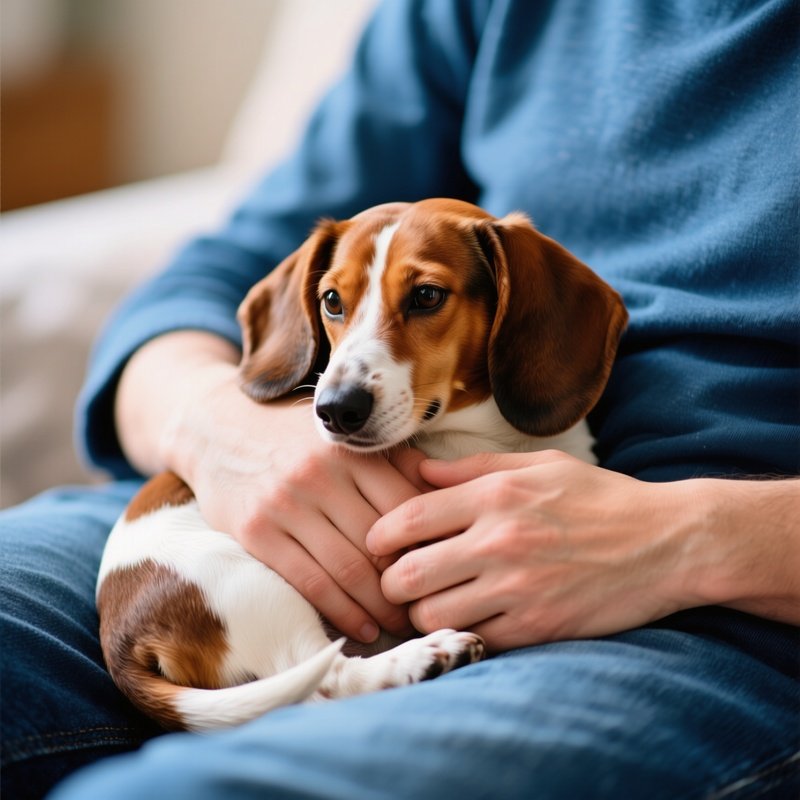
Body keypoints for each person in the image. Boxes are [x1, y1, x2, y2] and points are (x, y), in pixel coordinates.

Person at [2, 1, 798, 797]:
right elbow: (222, 270)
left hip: (719, 625)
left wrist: (690, 540)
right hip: (243, 516)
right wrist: (221, 433)